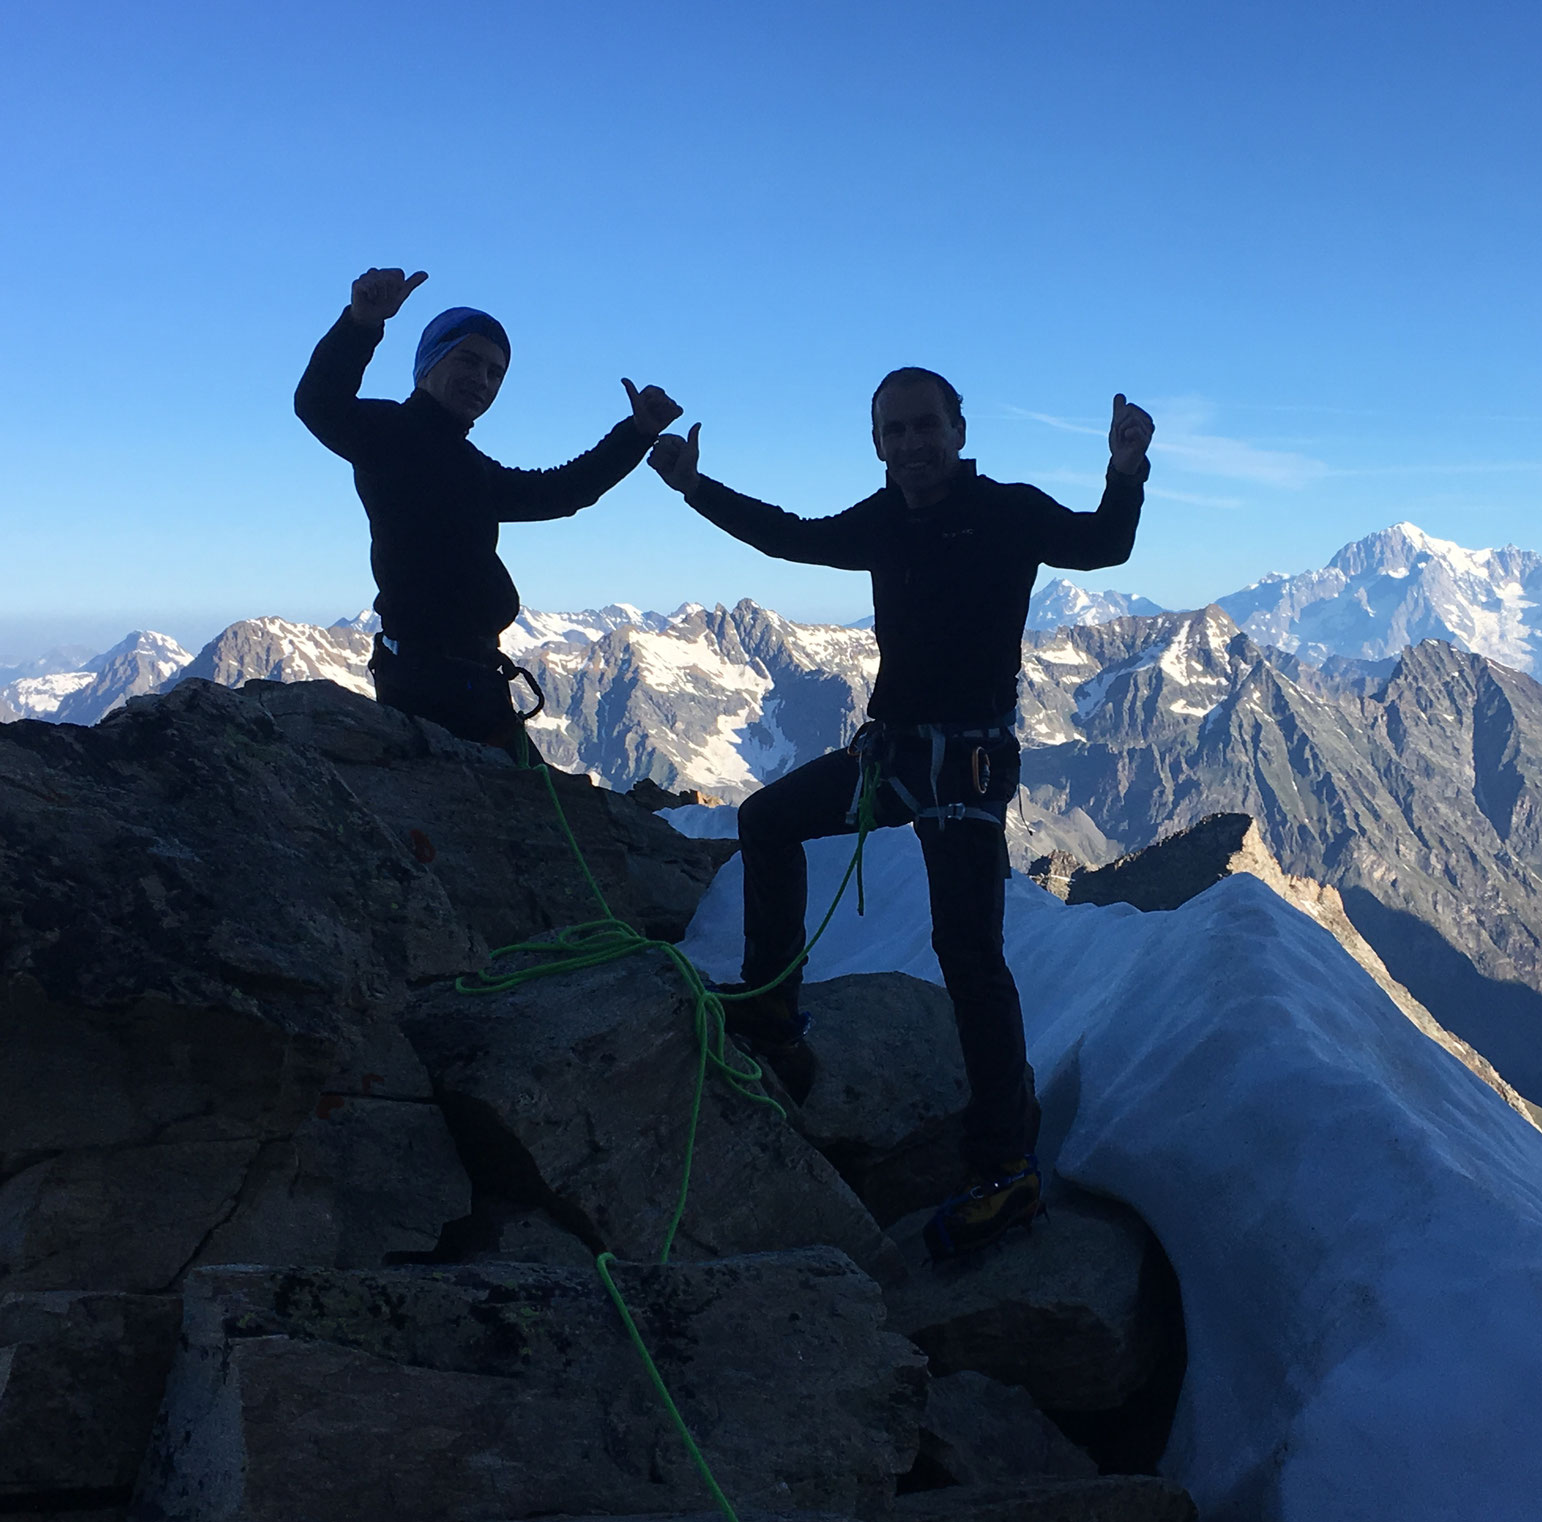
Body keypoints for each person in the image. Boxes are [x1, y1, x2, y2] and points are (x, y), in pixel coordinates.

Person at [647, 367, 1154, 1259]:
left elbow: (1104, 547)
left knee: (968, 951)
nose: (913, 443)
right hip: (895, 753)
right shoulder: (882, 519)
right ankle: (770, 1010)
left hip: (965, 764)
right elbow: (788, 539)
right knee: (767, 821)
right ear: (878, 443)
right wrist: (693, 487)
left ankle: (1006, 1161)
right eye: (897, 431)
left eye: (927, 426)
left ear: (959, 430)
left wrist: (1125, 469)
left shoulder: (1009, 511)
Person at [295, 266, 681, 746]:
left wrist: (636, 433)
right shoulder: (389, 435)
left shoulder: (466, 462)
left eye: (495, 372)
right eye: (470, 361)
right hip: (431, 680)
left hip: (457, 675)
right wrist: (362, 322)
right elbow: (319, 404)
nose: (483, 380)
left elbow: (563, 493)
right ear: (430, 362)